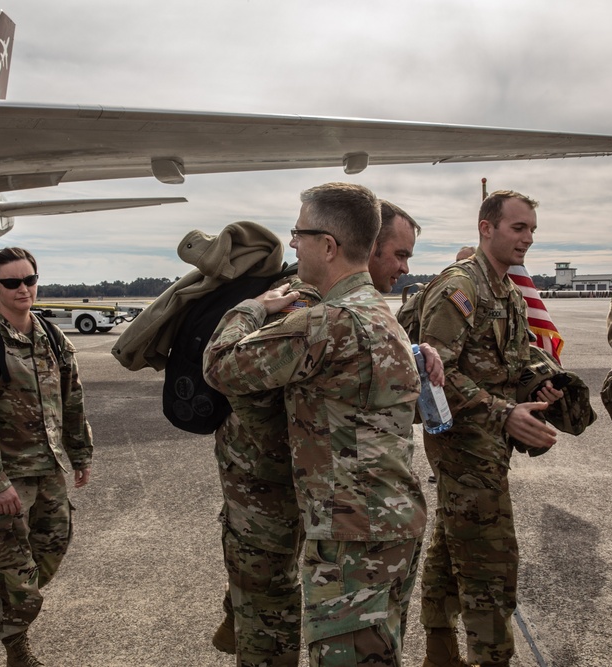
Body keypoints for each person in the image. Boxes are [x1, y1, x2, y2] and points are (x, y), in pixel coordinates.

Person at [205, 183, 430, 667]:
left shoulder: (326, 323)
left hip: (353, 539)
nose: (292, 244)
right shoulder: (383, 316)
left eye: (298, 233)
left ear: (327, 245)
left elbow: (220, 364)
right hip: (390, 523)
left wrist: (252, 308)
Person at [416, 190, 563, 667]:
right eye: (518, 228)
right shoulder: (462, 287)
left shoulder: (508, 292)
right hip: (461, 442)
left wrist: (540, 382)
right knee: (491, 562)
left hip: (488, 443)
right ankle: (491, 657)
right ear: (487, 228)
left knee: (452, 538)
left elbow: (511, 361)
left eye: (532, 230)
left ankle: (439, 646)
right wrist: (504, 413)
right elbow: (434, 371)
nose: (528, 239)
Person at [0, 247, 93, 667]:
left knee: (50, 551)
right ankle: (17, 650)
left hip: (47, 469)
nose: (23, 289)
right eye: (12, 282)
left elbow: (73, 397)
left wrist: (79, 452)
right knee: (14, 572)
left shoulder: (50, 334)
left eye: (29, 280)